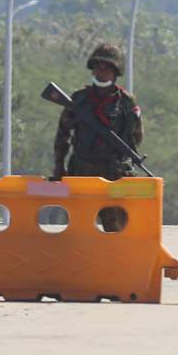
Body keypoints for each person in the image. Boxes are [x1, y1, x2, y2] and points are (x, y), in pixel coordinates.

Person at [51, 44, 143, 231]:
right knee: (79, 230)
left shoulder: (126, 102)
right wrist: (59, 167)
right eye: (97, 66)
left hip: (113, 175)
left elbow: (135, 137)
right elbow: (63, 135)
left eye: (106, 67)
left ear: (116, 71)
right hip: (82, 172)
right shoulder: (79, 99)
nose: (101, 71)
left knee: (117, 232)